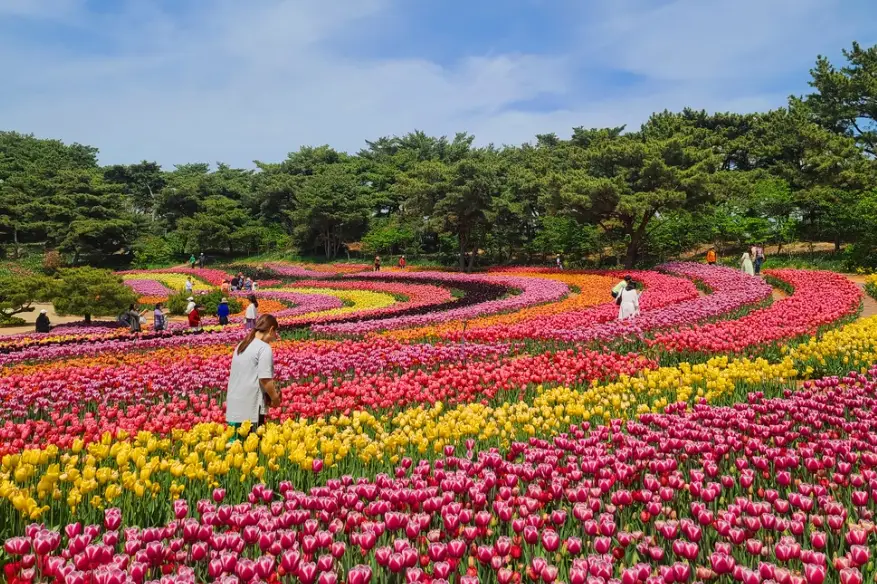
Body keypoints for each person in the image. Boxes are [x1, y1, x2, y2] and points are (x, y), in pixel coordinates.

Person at [226, 314, 281, 442]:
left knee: (235, 448)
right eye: (275, 333)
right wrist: (275, 398)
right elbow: (265, 379)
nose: (275, 337)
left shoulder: (241, 345)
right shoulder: (264, 348)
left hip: (235, 405)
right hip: (251, 406)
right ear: (271, 329)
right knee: (251, 450)